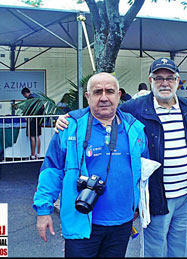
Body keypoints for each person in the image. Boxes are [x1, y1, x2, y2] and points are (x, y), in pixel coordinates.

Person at [54, 58, 187, 257]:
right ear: (150, 80)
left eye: (169, 78)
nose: (164, 83)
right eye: (158, 78)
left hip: (185, 194)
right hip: (158, 197)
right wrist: (68, 118)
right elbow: (102, 111)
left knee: (181, 249)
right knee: (154, 250)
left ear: (177, 80)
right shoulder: (135, 108)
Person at [33, 72, 149, 257]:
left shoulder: (135, 128)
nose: (104, 97)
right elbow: (52, 170)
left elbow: (144, 173)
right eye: (97, 92)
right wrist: (43, 210)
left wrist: (137, 207)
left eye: (109, 91)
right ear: (87, 97)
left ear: (119, 95)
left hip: (122, 223)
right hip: (81, 221)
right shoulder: (70, 127)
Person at [21, 87, 45, 159]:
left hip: (32, 121)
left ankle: (32, 155)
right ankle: (39, 153)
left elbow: (27, 111)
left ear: (25, 93)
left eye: (24, 95)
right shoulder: (38, 98)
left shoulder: (29, 100)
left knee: (32, 137)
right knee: (37, 137)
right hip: (39, 120)